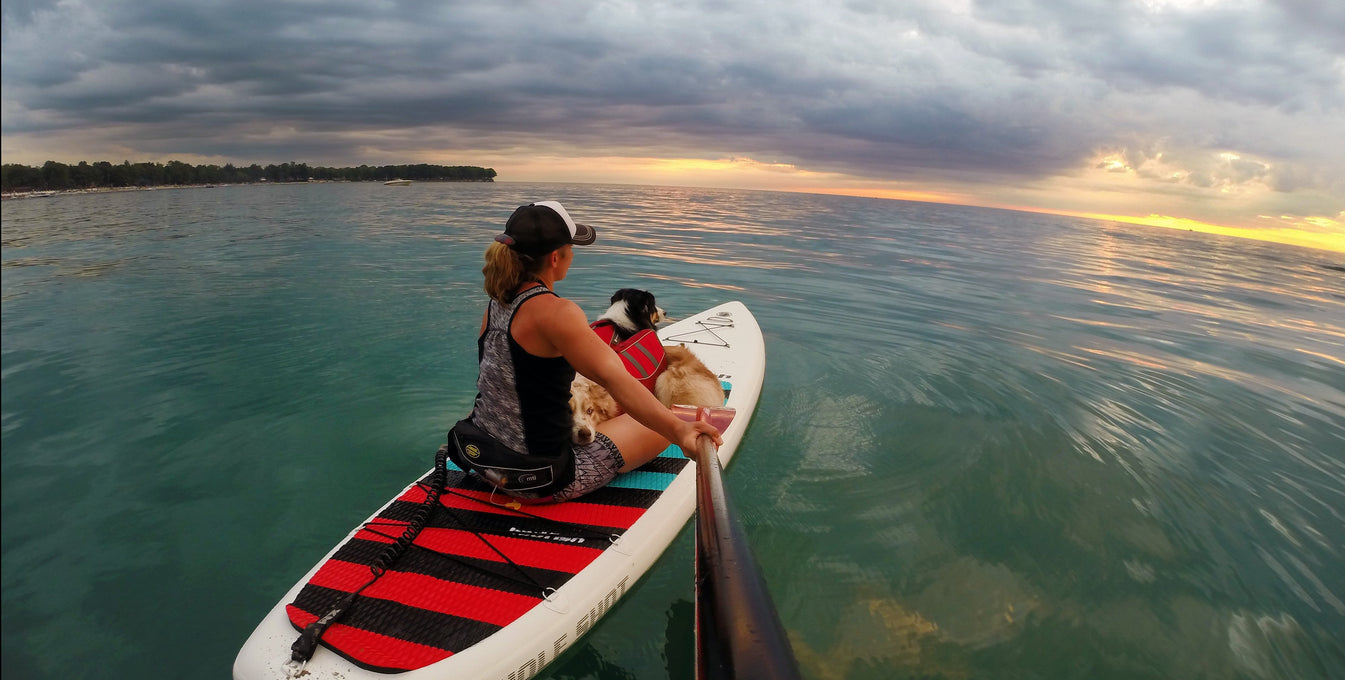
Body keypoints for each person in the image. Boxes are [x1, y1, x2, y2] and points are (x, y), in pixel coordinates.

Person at [446, 200, 721, 503]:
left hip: (485, 460)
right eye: (571, 247)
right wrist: (679, 432)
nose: (573, 255)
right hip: (539, 481)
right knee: (659, 423)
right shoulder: (558, 312)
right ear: (555, 257)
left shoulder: (495, 305)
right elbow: (617, 379)